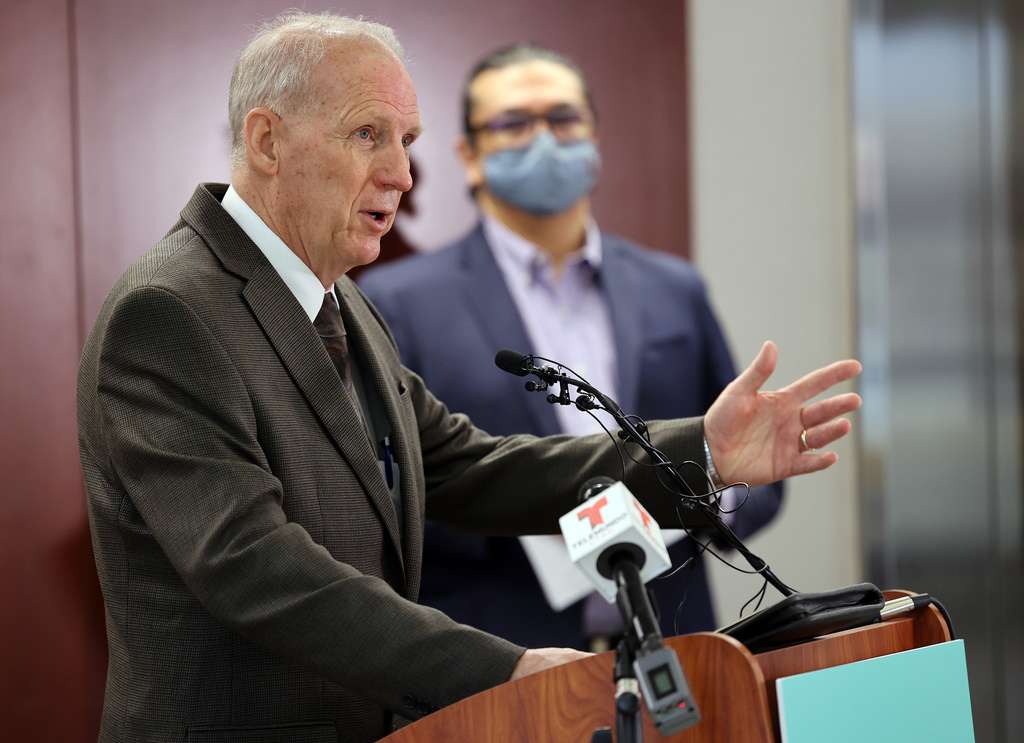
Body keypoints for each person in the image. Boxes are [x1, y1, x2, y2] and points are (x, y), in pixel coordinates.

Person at [76, 12, 861, 743]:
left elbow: (471, 467)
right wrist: (504, 668)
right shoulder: (167, 312)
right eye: (367, 135)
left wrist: (700, 453)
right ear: (267, 140)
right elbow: (255, 565)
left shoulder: (344, 302)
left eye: (407, 140)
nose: (401, 174)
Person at [359, 45, 784, 650]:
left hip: (677, 649)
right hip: (501, 657)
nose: (544, 140)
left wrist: (712, 494)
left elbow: (741, 457)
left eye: (563, 119)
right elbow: (383, 491)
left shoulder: (674, 289)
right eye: (514, 123)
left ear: (594, 138)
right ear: (470, 156)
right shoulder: (398, 302)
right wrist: (538, 514)